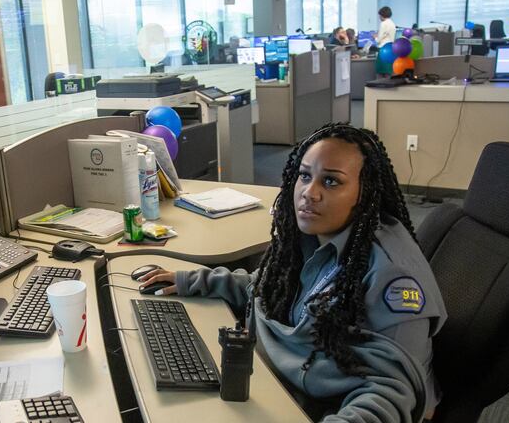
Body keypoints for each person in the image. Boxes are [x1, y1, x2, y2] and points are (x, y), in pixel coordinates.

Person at [139, 123, 447, 422]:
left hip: (315, 405)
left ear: (365, 193)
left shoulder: (390, 276)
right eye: (304, 176)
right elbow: (267, 288)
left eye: (331, 181)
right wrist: (193, 280)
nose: (309, 193)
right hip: (276, 379)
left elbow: (389, 393)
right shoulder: (314, 235)